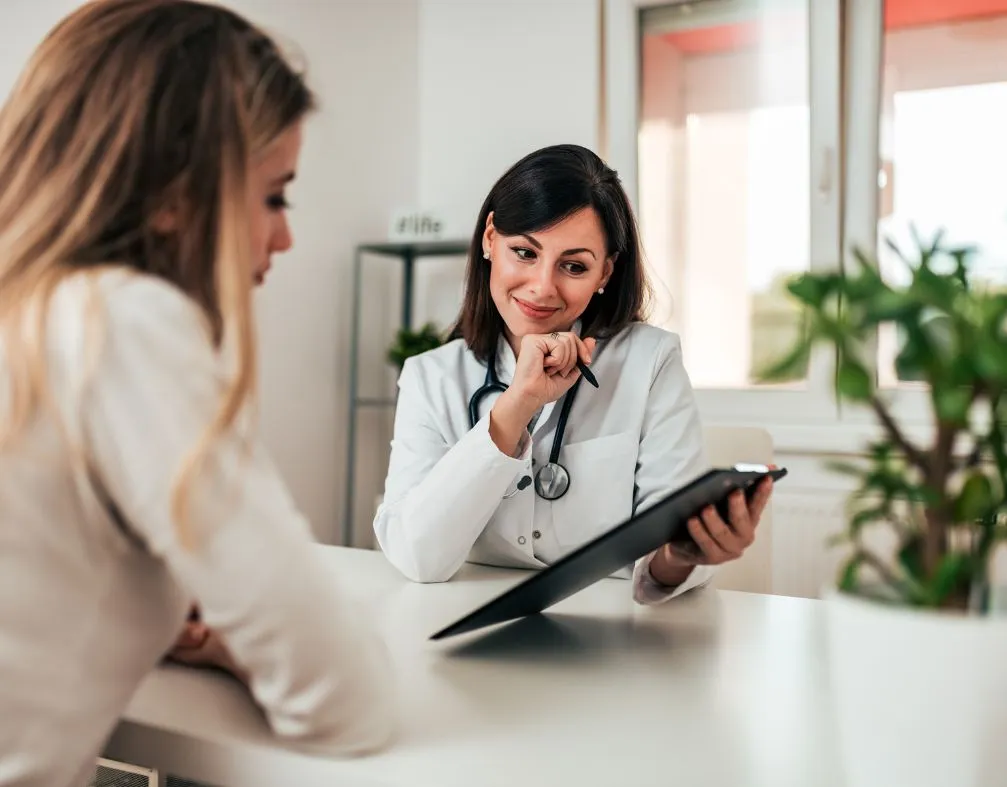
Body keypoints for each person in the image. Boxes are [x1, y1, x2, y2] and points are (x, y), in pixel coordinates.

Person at [0, 2, 394, 785]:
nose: (284, 236)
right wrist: (232, 638)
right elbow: (342, 695)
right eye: (275, 196)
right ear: (178, 193)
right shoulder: (119, 320)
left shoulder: (30, 312)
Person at [373, 144, 774, 602]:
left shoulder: (650, 361)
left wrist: (682, 555)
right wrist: (515, 406)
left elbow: (662, 549)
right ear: (489, 239)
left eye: (574, 266)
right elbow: (417, 558)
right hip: (462, 620)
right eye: (524, 252)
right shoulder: (431, 377)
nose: (542, 287)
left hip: (613, 634)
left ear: (606, 271)